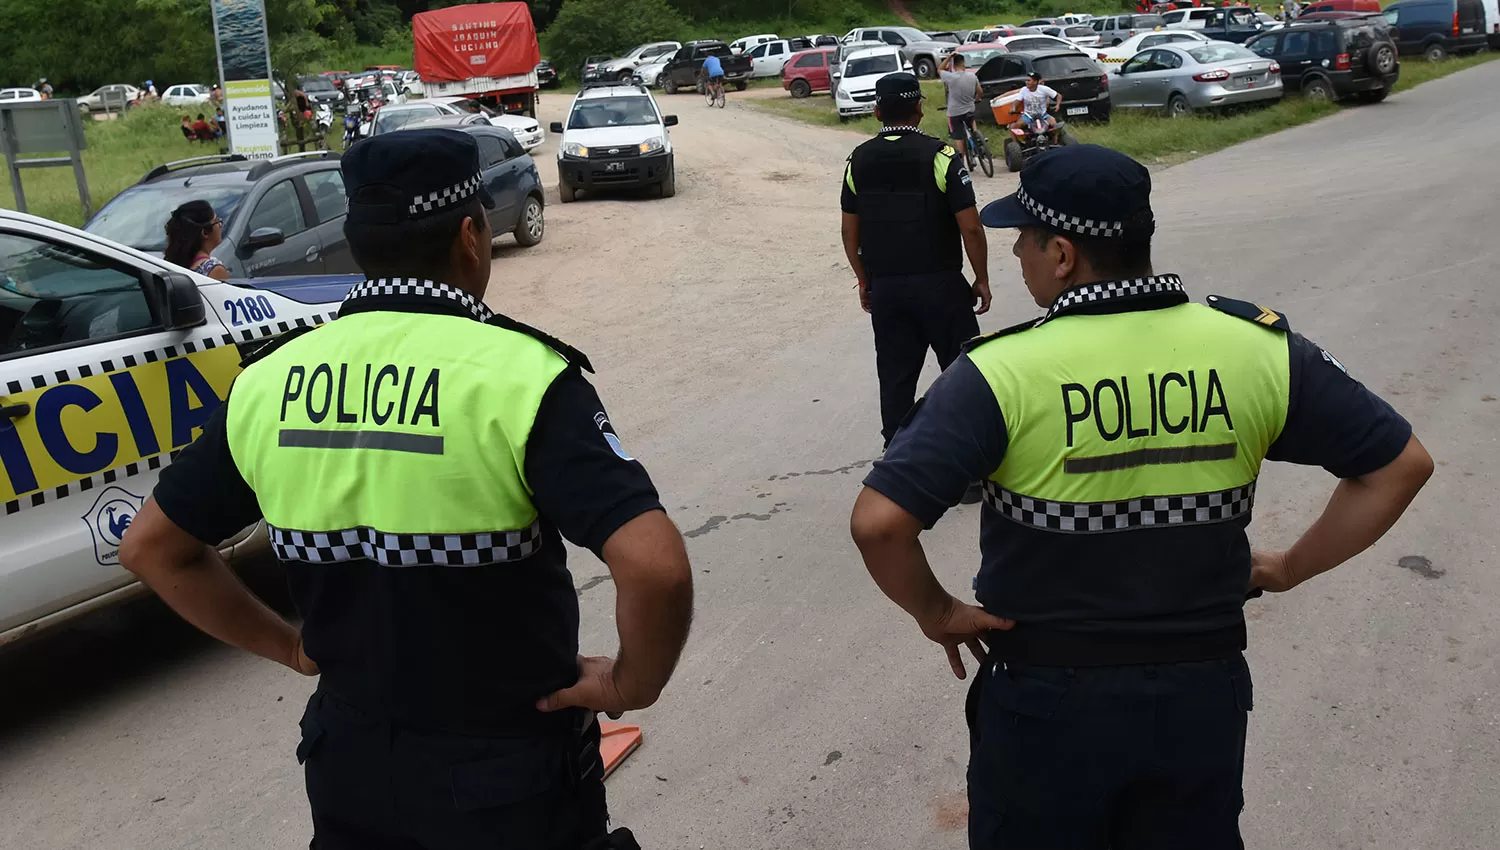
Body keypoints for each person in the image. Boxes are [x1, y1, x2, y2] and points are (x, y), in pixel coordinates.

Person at [118, 129, 694, 850]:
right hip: (506, 778)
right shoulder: (520, 376)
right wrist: (629, 686)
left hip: (348, 766)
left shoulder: (267, 383)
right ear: (470, 235)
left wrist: (293, 649)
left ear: (359, 241)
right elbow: (656, 566)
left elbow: (152, 548)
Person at [848, 144, 1433, 849]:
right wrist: (1288, 567)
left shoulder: (1000, 374)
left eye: (1023, 239)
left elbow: (879, 524)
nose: (1016, 256)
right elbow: (1401, 465)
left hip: (1047, 701)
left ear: (1062, 255)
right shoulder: (1255, 350)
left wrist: (939, 612)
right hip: (1199, 696)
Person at [841, 72, 992, 454]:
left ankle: (897, 468)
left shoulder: (858, 160)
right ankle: (970, 468)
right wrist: (981, 278)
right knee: (963, 376)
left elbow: (848, 233)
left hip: (888, 290)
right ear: (920, 109)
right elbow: (970, 227)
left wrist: (864, 280)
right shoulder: (940, 156)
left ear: (876, 111)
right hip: (941, 285)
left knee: (895, 379)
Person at [162, 200, 230, 281]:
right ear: (205, 232)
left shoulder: (174, 265)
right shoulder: (214, 270)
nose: (220, 225)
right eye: (217, 221)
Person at [938, 53, 983, 164]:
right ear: (963, 63)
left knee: (959, 138)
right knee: (971, 120)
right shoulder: (972, 76)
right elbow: (980, 92)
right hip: (970, 109)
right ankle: (977, 136)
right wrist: (977, 99)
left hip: (955, 113)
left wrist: (948, 57)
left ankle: (961, 163)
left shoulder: (950, 77)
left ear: (953, 64)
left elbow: (939, 69)